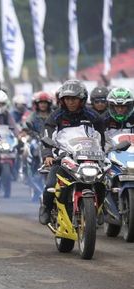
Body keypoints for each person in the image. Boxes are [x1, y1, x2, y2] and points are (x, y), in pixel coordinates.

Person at [39, 80, 105, 225]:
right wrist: (48, 154)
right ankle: (46, 207)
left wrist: (103, 152)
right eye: (67, 99)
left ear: (82, 99)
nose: (71, 102)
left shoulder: (92, 116)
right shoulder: (55, 116)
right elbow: (46, 135)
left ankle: (98, 209)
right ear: (62, 100)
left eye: (74, 99)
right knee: (50, 185)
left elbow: (101, 135)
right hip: (62, 157)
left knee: (102, 183)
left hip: (87, 157)